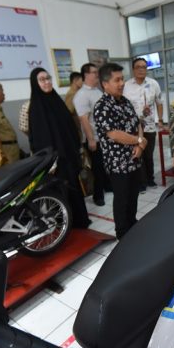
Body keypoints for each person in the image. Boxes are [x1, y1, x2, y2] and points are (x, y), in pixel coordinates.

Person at [27, 67, 91, 228]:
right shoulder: (35, 108)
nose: (47, 82)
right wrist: (49, 160)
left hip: (68, 155)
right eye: (42, 80)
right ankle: (65, 224)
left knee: (74, 187)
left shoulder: (57, 101)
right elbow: (38, 139)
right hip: (54, 161)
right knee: (60, 190)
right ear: (35, 83)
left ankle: (80, 220)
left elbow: (69, 127)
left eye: (48, 78)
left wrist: (77, 147)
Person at [93, 63, 145, 240]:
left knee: (133, 195)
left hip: (134, 159)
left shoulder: (125, 101)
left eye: (122, 79)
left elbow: (137, 123)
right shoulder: (102, 106)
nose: (122, 83)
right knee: (122, 198)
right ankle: (122, 233)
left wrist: (139, 145)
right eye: (117, 80)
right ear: (105, 84)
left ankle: (132, 223)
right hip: (118, 164)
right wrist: (139, 141)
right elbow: (114, 134)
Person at [123, 57, 164, 190]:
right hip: (133, 128)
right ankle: (141, 183)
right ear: (133, 69)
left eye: (144, 67)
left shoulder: (153, 84)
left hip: (150, 126)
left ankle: (150, 180)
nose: (141, 69)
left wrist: (160, 120)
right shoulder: (126, 86)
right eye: (138, 67)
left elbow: (159, 103)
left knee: (148, 155)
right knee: (137, 154)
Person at [74, 63, 109, 206]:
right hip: (94, 138)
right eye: (94, 72)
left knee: (105, 165)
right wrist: (91, 139)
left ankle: (107, 186)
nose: (97, 75)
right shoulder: (82, 95)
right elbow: (84, 120)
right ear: (86, 75)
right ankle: (98, 196)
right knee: (97, 168)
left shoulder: (97, 91)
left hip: (104, 136)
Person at [64, 71, 84, 141]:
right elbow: (69, 111)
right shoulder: (72, 94)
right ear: (75, 81)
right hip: (77, 126)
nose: (83, 83)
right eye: (82, 80)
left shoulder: (78, 92)